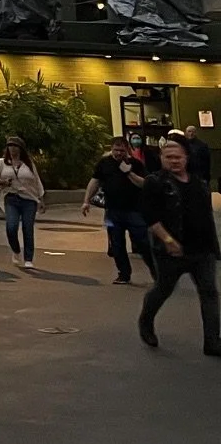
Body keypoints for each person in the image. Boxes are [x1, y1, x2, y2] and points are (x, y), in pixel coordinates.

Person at [136, 135, 220, 355]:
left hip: (202, 250)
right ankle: (146, 321)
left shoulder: (199, 181)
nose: (174, 161)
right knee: (163, 289)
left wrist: (214, 246)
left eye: (178, 157)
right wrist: (168, 240)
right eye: (169, 156)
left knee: (209, 292)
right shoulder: (155, 182)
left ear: (186, 157)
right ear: (162, 157)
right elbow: (150, 217)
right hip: (171, 251)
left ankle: (212, 342)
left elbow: (206, 216)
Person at [83, 136, 155, 286]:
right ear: (111, 149)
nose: (118, 153)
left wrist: (128, 172)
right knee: (116, 244)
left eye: (122, 150)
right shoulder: (104, 163)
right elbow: (95, 181)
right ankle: (123, 274)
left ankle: (157, 274)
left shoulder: (135, 164)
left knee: (143, 243)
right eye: (116, 150)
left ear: (127, 149)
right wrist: (86, 201)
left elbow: (144, 184)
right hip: (112, 211)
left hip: (134, 210)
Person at [0, 136, 45, 271]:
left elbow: (37, 181)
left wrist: (41, 199)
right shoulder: (2, 163)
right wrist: (3, 182)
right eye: (10, 146)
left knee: (28, 228)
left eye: (15, 146)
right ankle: (16, 250)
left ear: (21, 148)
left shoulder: (28, 164)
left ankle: (28, 258)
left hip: (29, 199)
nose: (12, 149)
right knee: (11, 226)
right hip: (11, 198)